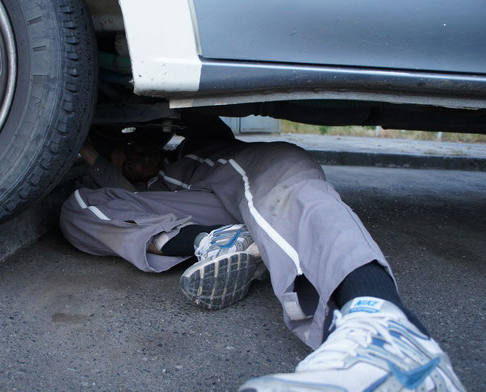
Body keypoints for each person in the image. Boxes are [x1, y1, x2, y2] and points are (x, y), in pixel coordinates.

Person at [60, 115, 465, 391]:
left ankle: (387, 326)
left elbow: (199, 109)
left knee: (285, 178)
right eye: (129, 162)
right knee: (76, 207)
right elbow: (98, 168)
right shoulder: (137, 191)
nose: (138, 158)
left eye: (137, 148)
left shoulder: (191, 151)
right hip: (190, 215)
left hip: (227, 177)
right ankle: (211, 242)